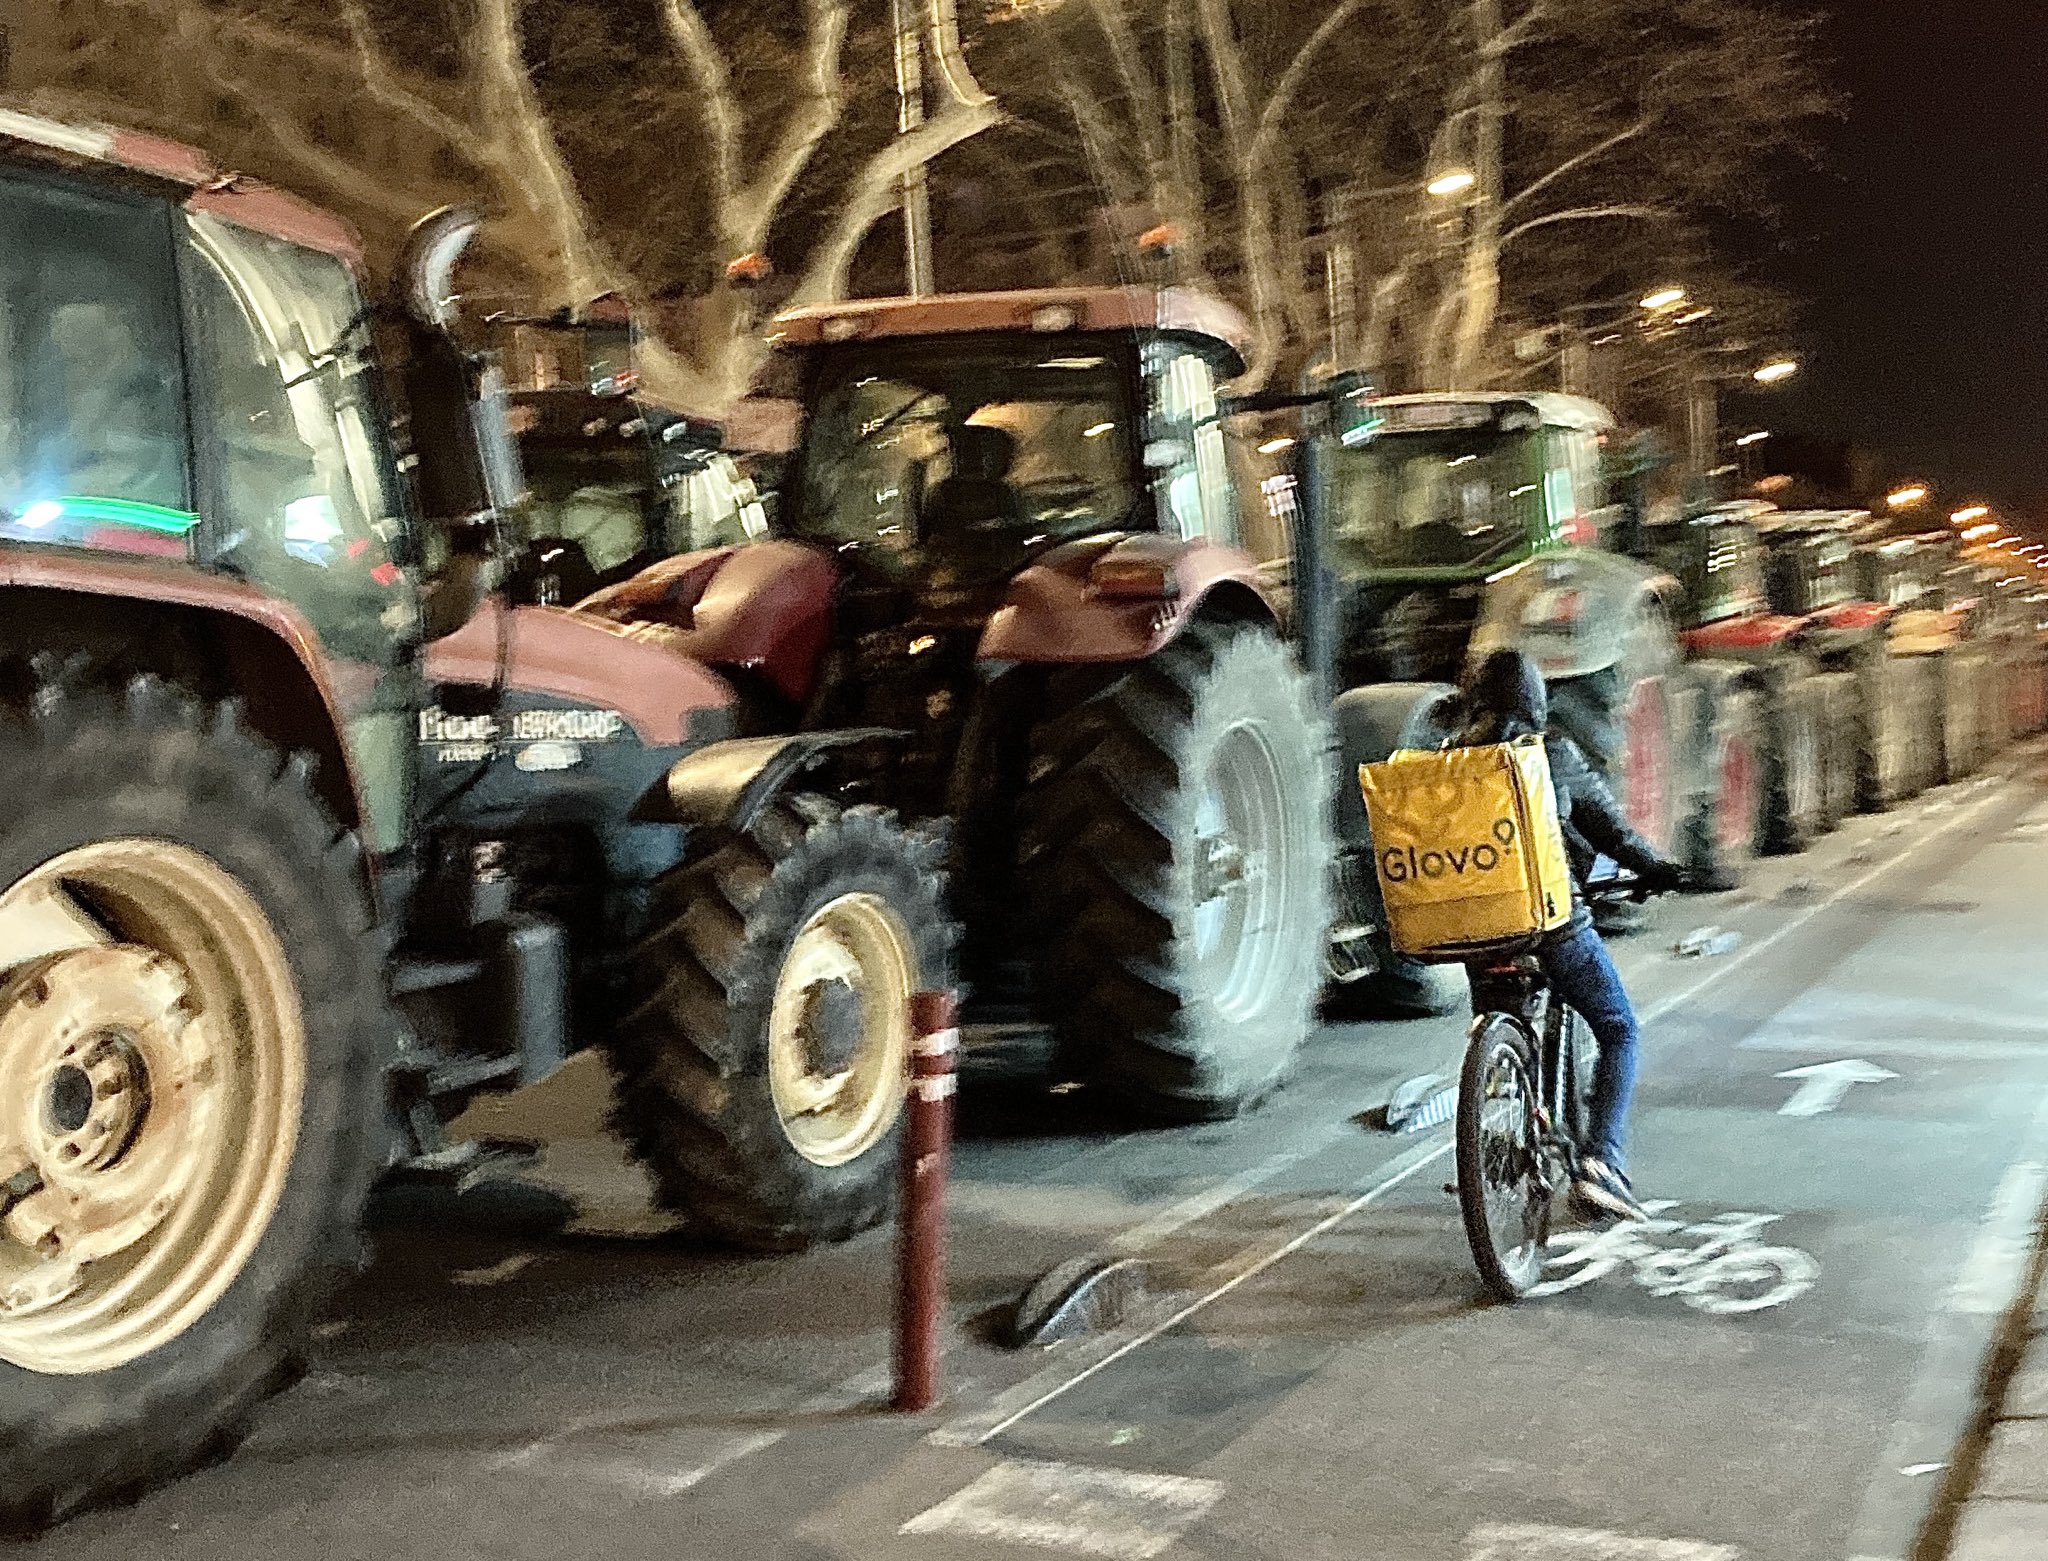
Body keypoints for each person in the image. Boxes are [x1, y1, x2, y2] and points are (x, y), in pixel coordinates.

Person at [1455, 648, 1691, 1222]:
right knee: (1618, 1028)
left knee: (1501, 1014)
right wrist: (1659, 869)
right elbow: (1612, 834)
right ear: (1535, 702)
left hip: (1475, 931)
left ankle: (1500, 1116)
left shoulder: (1447, 760)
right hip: (1551, 926)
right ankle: (1602, 1164)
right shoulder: (1550, 754)